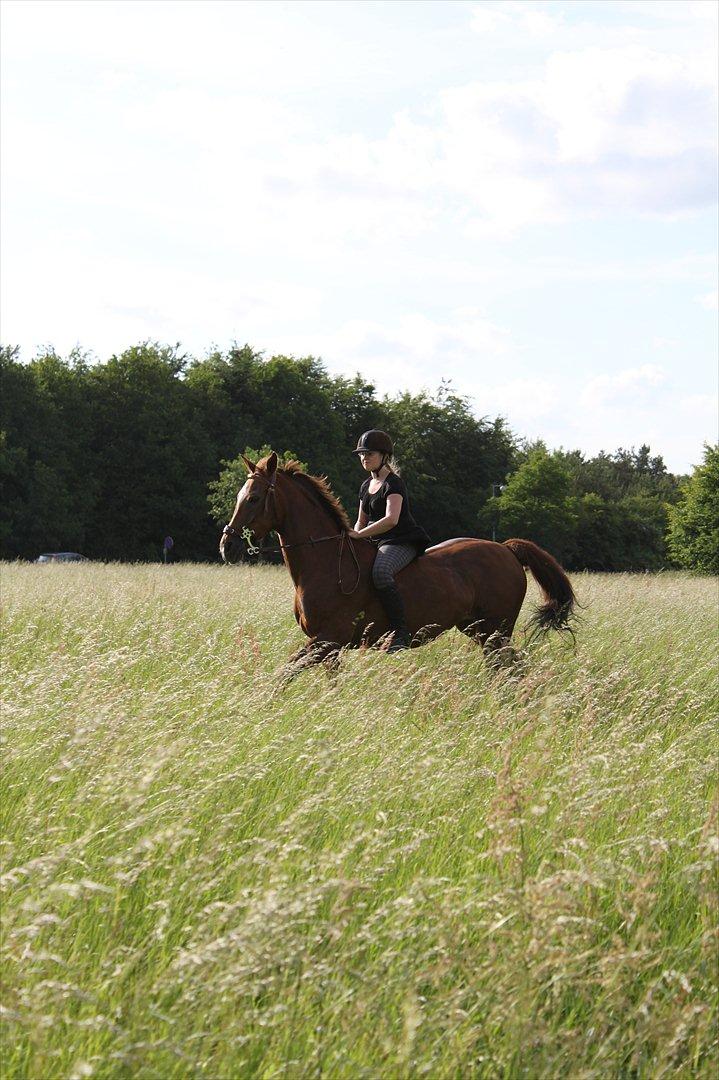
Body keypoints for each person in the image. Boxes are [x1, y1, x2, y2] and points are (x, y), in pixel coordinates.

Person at [348, 430, 430, 653]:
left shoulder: (394, 483)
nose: (364, 458)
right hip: (376, 542)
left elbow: (391, 520)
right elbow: (360, 522)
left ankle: (401, 632)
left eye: (370, 453)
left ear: (384, 455)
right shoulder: (366, 486)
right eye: (361, 454)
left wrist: (360, 535)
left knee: (381, 572)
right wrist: (355, 538)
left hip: (401, 540)